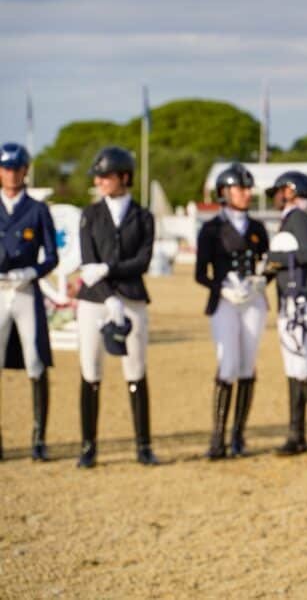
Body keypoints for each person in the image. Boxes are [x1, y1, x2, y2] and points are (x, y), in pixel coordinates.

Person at [76, 146, 158, 467]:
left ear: (124, 177)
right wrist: (108, 297)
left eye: (105, 176)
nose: (99, 181)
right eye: (97, 177)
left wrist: (109, 269)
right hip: (95, 300)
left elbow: (142, 261)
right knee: (90, 369)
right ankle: (88, 447)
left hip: (132, 298)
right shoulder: (90, 215)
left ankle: (143, 445)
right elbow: (88, 263)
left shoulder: (143, 216)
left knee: (136, 369)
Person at [194, 163, 269, 459]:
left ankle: (239, 436)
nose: (246, 193)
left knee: (247, 366)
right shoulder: (211, 229)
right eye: (240, 188)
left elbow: (268, 263)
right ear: (225, 192)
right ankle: (218, 438)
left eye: (248, 188)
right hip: (225, 301)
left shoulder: (257, 228)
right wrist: (222, 288)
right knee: (227, 366)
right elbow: (200, 273)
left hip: (253, 301)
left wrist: (260, 281)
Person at [266, 171, 307, 458]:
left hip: (303, 298)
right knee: (294, 367)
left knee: (303, 364)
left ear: (291, 191)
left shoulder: (299, 218)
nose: (275, 197)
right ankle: (297, 434)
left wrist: (271, 259)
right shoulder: (290, 218)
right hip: (291, 299)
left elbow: (304, 254)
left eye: (279, 191)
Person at [0, 142, 58, 462]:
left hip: (25, 290)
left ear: (25, 171)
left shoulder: (37, 209)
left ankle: (39, 438)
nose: (11, 174)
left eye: (17, 169)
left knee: (35, 360)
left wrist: (31, 271)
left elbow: (51, 256)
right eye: (6, 168)